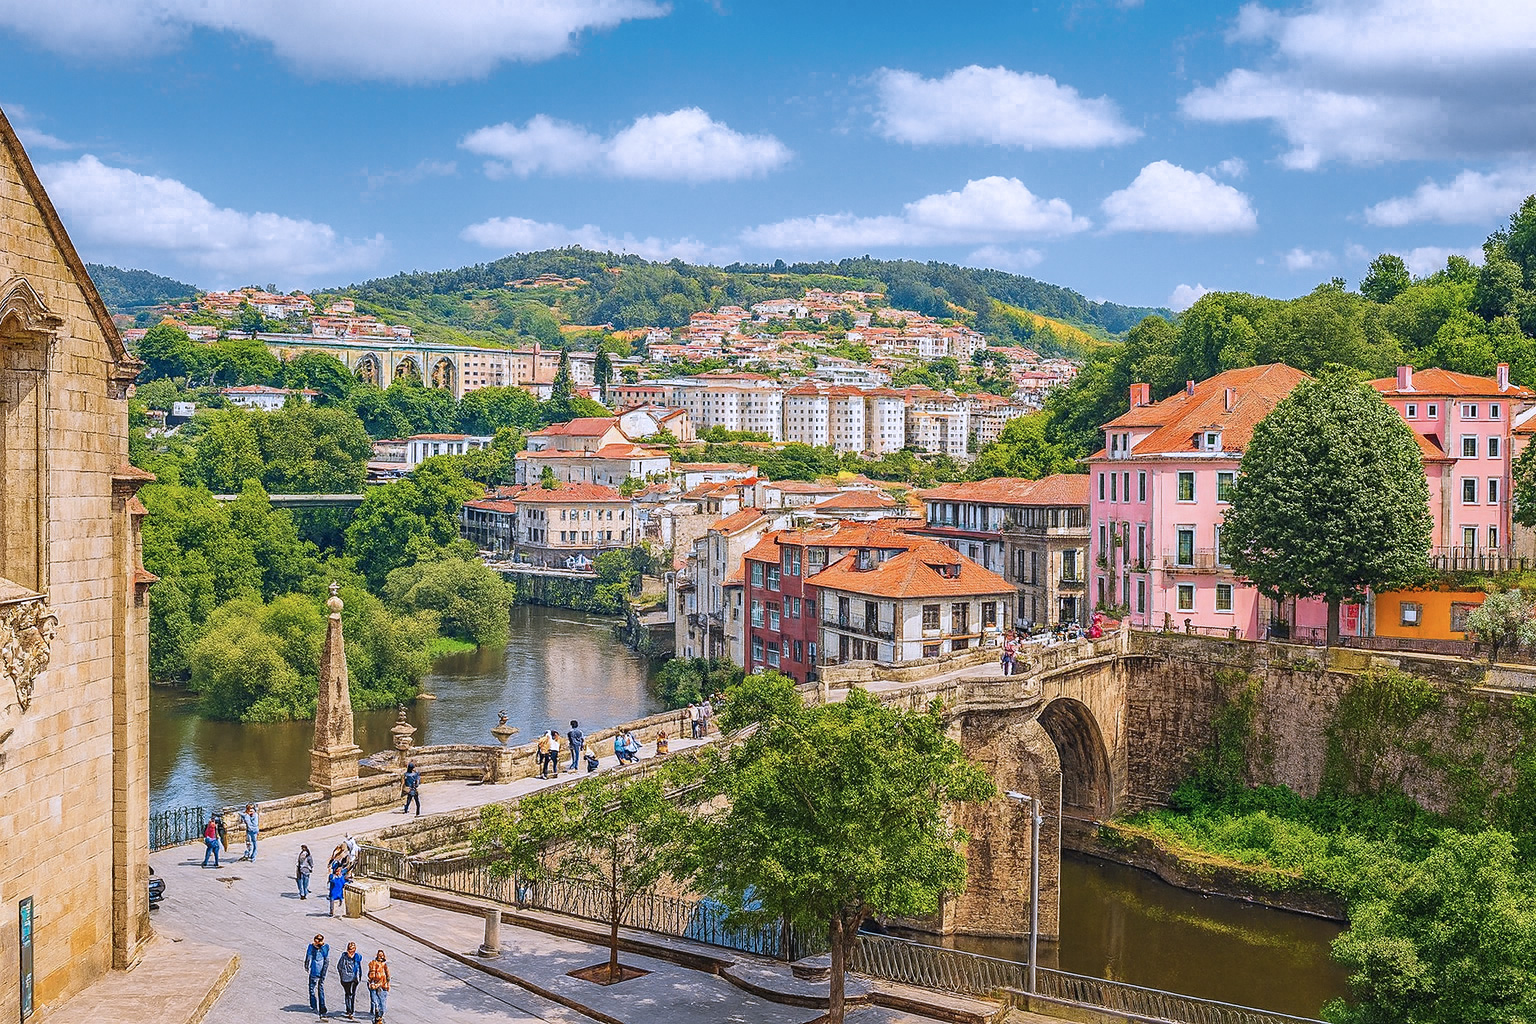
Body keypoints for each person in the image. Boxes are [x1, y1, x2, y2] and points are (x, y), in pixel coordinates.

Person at [305, 933, 330, 1020]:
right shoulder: (320, 947)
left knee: (314, 989)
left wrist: (306, 965)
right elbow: (326, 960)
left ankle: (317, 1006)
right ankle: (318, 1007)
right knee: (317, 989)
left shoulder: (323, 947)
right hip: (317, 971)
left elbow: (308, 957)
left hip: (316, 971)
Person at [336, 941, 363, 1020]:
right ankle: (349, 1010)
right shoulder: (344, 957)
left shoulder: (357, 957)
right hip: (346, 978)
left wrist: (359, 976)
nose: (351, 951)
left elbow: (359, 967)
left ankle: (351, 1010)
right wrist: (343, 974)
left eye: (353, 949)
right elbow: (339, 967)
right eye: (350, 949)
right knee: (348, 993)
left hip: (355, 978)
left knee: (352, 994)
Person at [367, 949, 390, 1024]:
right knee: (375, 1001)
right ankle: (377, 1017)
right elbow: (370, 975)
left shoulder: (384, 965)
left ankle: (379, 1016)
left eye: (382, 955)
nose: (380, 957)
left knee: (383, 1005)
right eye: (379, 955)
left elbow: (388, 975)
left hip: (383, 986)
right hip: (374, 985)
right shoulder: (373, 963)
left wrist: (387, 984)